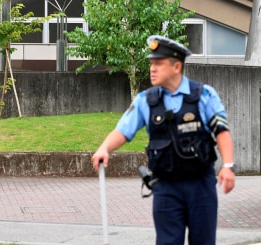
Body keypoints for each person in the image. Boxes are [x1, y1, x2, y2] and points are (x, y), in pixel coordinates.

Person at [91, 35, 235, 245]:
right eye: (151, 63)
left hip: (200, 186)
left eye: (158, 64)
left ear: (177, 66)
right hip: (166, 187)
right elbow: (123, 130)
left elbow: (221, 131)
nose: (152, 68)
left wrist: (228, 166)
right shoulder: (146, 100)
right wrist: (105, 148)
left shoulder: (204, 95)